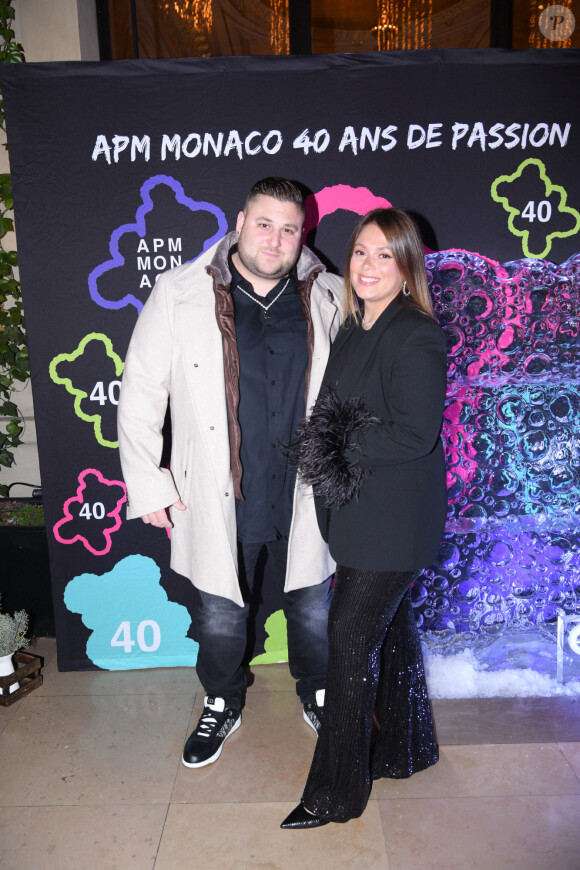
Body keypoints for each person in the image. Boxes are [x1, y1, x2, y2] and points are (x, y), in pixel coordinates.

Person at [117, 177, 344, 769]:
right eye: (264, 224)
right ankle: (221, 698)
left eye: (289, 228)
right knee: (220, 609)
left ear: (304, 235)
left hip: (305, 488)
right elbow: (141, 390)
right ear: (240, 224)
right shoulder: (179, 291)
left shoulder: (331, 295)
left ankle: (317, 688)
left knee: (314, 603)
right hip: (220, 489)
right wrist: (148, 482)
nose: (276, 239)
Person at [281, 207, 448, 828]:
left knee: (350, 646)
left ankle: (334, 794)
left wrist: (334, 442)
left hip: (394, 525)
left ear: (408, 268)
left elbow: (414, 434)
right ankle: (408, 749)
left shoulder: (416, 332)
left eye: (385, 255)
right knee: (393, 634)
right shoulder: (353, 324)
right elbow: (331, 406)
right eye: (360, 253)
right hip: (356, 514)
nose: (369, 266)